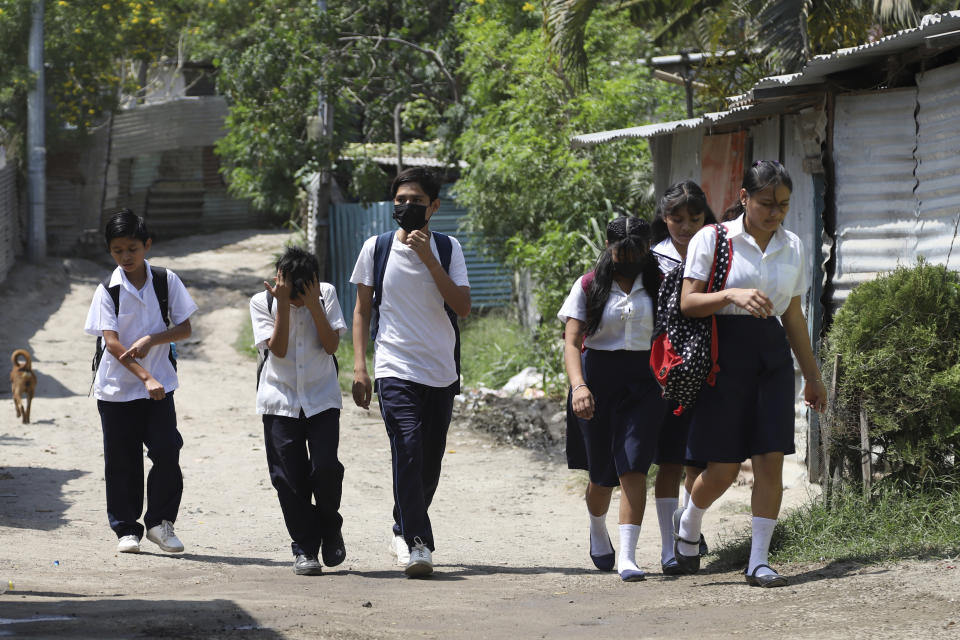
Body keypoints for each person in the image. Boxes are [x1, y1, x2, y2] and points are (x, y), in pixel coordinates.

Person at [672, 160, 827, 586]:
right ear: (744, 198)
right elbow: (688, 303)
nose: (775, 212)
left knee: (769, 462)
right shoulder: (713, 238)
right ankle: (689, 523)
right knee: (721, 468)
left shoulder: (793, 245)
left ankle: (758, 561)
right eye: (766, 203)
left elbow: (793, 315)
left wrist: (812, 377)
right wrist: (731, 295)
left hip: (772, 358)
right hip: (724, 354)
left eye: (783, 204)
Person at [350, 167, 471, 577]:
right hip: (393, 366)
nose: (406, 207)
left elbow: (461, 305)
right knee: (408, 445)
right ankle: (419, 543)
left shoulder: (449, 248)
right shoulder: (375, 248)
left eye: (416, 201)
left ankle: (403, 527)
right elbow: (363, 310)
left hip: (439, 370)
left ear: (433, 206)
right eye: (400, 200)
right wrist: (360, 367)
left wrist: (427, 257)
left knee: (429, 463)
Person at [84, 209, 197, 554]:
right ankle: (126, 529)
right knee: (122, 459)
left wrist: (152, 340)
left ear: (146, 245)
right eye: (118, 251)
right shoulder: (107, 290)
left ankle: (161, 524)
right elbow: (112, 342)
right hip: (117, 390)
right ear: (110, 252)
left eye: (132, 248)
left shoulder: (166, 281)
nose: (126, 257)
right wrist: (144, 376)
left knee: (167, 450)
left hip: (159, 386)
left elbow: (185, 328)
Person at [559, 216, 664, 582]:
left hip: (643, 381)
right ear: (609, 247)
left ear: (647, 249)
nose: (630, 257)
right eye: (623, 251)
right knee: (602, 476)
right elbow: (572, 342)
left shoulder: (660, 282)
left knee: (634, 466)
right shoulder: (589, 284)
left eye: (638, 250)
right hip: (596, 381)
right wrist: (579, 387)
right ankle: (598, 529)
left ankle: (630, 557)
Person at [250, 246, 347, 576]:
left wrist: (313, 304)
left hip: (322, 397)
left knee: (326, 468)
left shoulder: (327, 294)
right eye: (290, 288)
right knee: (288, 479)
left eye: (301, 288)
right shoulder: (262, 303)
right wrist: (283, 306)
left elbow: (331, 345)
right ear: (280, 280)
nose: (295, 297)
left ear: (314, 281)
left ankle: (330, 528)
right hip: (280, 400)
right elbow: (277, 350)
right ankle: (305, 548)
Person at [648, 181, 717, 575]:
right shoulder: (652, 260)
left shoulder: (716, 255)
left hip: (711, 369)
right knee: (671, 462)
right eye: (677, 218)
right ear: (664, 218)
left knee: (702, 460)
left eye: (695, 218)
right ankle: (668, 548)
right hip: (665, 372)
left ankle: (687, 526)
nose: (686, 226)